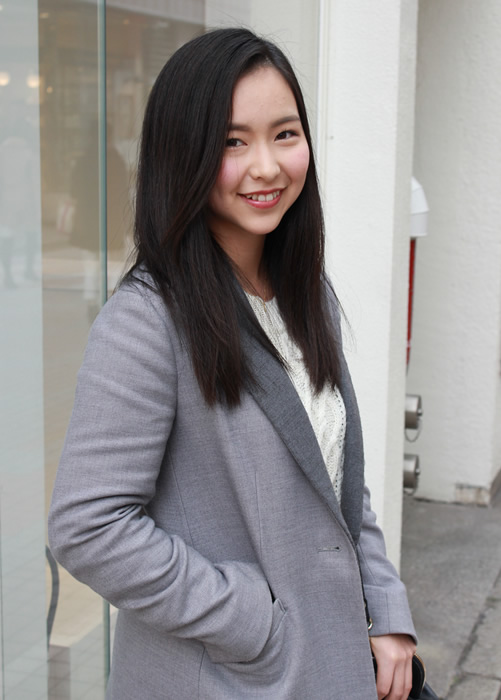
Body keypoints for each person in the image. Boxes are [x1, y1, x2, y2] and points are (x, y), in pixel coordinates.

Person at [48, 27, 417, 700]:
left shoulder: (307, 295)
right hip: (228, 678)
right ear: (182, 155)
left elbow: (336, 476)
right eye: (232, 142)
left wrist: (383, 609)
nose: (267, 167)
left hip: (331, 661)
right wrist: (253, 619)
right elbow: (88, 527)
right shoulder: (147, 321)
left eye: (284, 134)